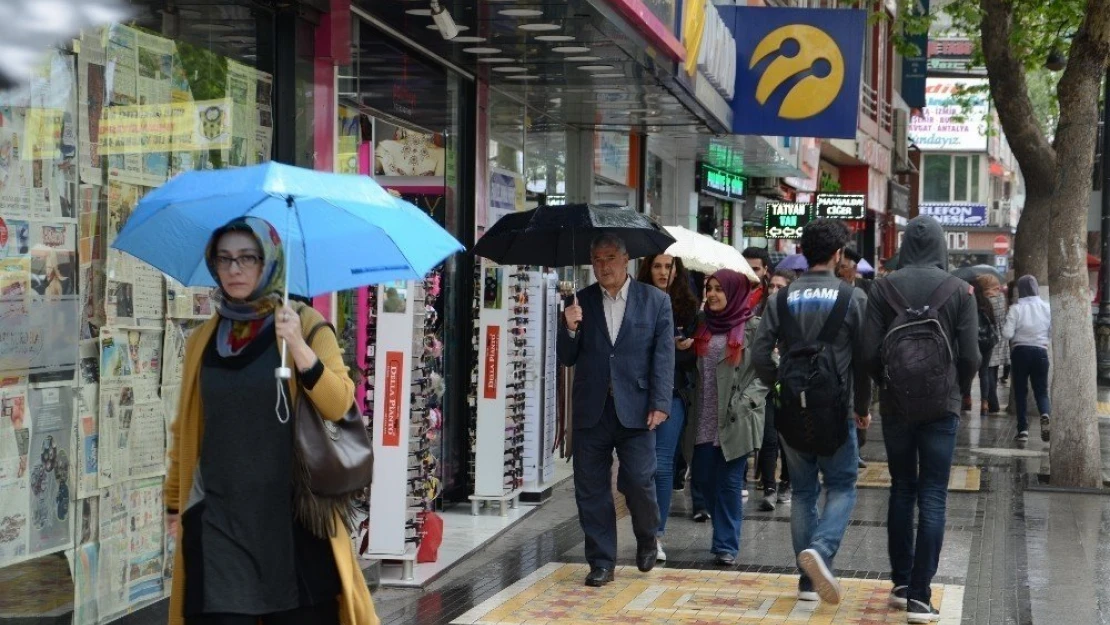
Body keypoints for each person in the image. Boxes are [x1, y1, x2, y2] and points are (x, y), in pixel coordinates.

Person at [163, 217, 377, 625]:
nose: (235, 269)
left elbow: (340, 403)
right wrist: (175, 503)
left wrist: (297, 346)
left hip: (294, 526)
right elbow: (187, 428)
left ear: (270, 263)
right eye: (224, 259)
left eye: (248, 258)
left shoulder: (307, 326)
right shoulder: (203, 341)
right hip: (220, 524)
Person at [861, 215, 979, 623]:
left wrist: (888, 384)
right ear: (942, 246)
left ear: (906, 244)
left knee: (902, 489)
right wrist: (955, 390)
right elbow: (971, 355)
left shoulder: (882, 286)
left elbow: (868, 352)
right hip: (940, 408)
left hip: (896, 406)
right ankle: (920, 595)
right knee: (933, 494)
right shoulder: (961, 290)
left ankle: (900, 583)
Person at [752, 218, 872, 605]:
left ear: (803, 252)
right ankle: (821, 550)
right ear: (838, 255)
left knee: (803, 491)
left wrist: (778, 384)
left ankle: (806, 584)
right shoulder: (853, 298)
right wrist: (862, 407)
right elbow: (865, 359)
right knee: (842, 484)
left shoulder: (779, 299)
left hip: (790, 409)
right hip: (835, 410)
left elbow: (758, 354)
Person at [557, 233, 674, 587]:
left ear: (626, 260)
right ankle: (601, 561)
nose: (603, 266)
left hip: (637, 409)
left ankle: (647, 534)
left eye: (609, 258)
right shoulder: (579, 302)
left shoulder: (654, 301)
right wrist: (569, 327)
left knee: (639, 480)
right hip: (592, 410)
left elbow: (663, 356)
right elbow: (566, 357)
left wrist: (660, 402)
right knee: (590, 488)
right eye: (597, 259)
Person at [683, 269, 765, 565]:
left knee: (729, 483)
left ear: (734, 293)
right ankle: (722, 534)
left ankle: (726, 544)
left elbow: (768, 370)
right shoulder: (701, 325)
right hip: (703, 416)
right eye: (710, 288)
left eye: (720, 289)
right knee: (703, 480)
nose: (713, 295)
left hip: (735, 417)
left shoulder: (753, 327)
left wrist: (748, 399)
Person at [635, 253, 698, 563]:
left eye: (668, 266)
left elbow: (691, 357)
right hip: (637, 393)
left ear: (677, 270)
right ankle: (643, 529)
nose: (663, 272)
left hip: (673, 393)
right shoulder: (636, 301)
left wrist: (676, 349)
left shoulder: (687, 307)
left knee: (661, 463)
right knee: (638, 467)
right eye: (657, 266)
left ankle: (655, 534)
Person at [756, 269, 795, 511]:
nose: (773, 291)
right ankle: (769, 486)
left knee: (787, 438)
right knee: (769, 437)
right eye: (771, 286)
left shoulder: (796, 316)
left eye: (779, 287)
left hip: (790, 384)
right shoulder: (762, 313)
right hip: (769, 383)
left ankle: (786, 482)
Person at [1003, 275, 1052, 442]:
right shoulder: (1047, 308)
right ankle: (1045, 413)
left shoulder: (1016, 309)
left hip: (1020, 353)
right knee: (1041, 391)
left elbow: (1007, 334)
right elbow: (1051, 332)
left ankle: (1023, 430)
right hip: (1041, 352)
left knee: (1021, 392)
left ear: (1020, 290)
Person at [974, 275, 1002, 416]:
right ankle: (986, 403)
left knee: (970, 369)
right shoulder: (994, 302)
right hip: (991, 341)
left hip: (975, 340)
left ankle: (966, 399)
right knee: (986, 372)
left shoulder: (973, 301)